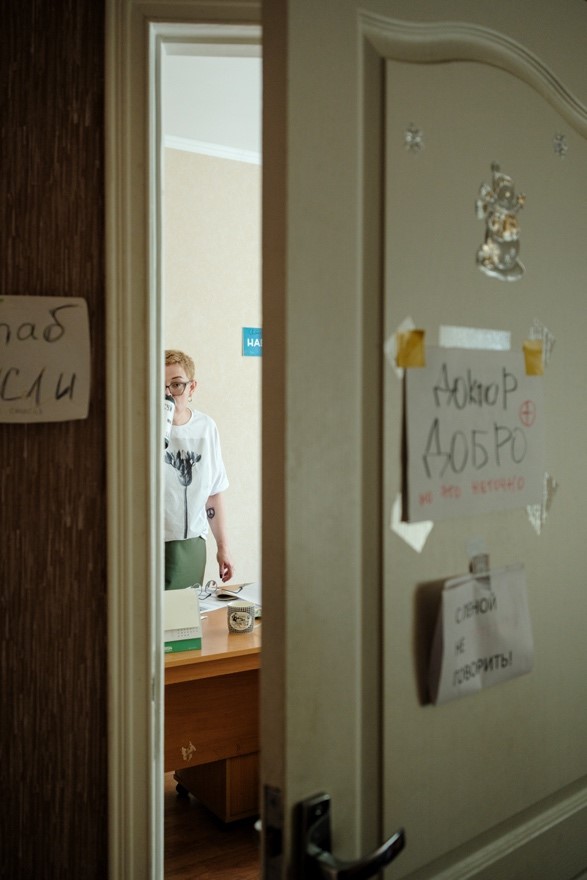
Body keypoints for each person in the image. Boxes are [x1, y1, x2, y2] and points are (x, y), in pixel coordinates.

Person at [164, 349, 234, 589]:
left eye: (176, 385)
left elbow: (213, 494)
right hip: (147, 543)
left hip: (191, 544)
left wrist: (223, 548)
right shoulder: (139, 426)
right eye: (160, 386)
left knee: (184, 621)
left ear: (191, 388)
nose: (168, 394)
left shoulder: (205, 428)